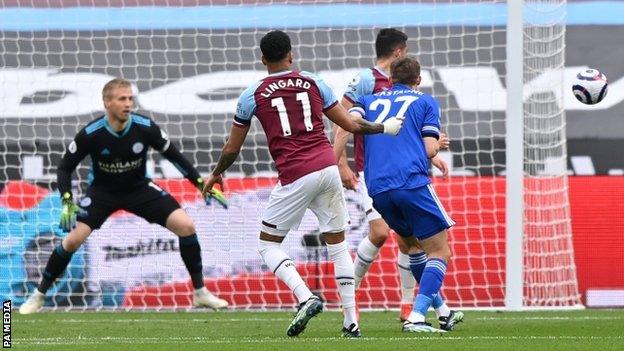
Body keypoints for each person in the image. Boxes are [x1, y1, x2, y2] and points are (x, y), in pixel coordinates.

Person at [202, 30, 403, 338]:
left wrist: (216, 173)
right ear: (291, 56)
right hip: (327, 167)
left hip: (295, 175)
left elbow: (232, 148)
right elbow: (348, 123)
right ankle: (351, 323)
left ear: (263, 60)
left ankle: (305, 296)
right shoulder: (314, 82)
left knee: (268, 243)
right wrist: (383, 128)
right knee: (338, 246)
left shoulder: (252, 94)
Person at [19, 78, 229, 314]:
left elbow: (174, 156)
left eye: (130, 98)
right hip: (103, 192)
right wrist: (67, 200)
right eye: (122, 99)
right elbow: (64, 168)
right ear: (107, 102)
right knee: (73, 240)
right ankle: (38, 296)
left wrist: (200, 183)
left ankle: (200, 293)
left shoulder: (145, 127)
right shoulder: (92, 133)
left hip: (139, 189)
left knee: (186, 226)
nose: (128, 103)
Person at [333, 28, 450, 321]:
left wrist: (430, 157)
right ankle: (352, 293)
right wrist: (341, 164)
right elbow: (343, 123)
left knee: (406, 241)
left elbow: (406, 134)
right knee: (381, 232)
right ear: (399, 51)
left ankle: (409, 303)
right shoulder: (366, 80)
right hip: (372, 169)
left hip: (387, 174)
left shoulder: (390, 91)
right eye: (406, 49)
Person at [349, 56, 463, 332]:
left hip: (377, 189)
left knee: (413, 248)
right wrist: (439, 143)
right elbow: (428, 150)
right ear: (418, 80)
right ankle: (417, 316)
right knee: (440, 251)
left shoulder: (368, 101)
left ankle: (444, 312)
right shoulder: (425, 102)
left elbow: (350, 123)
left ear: (390, 80)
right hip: (411, 183)